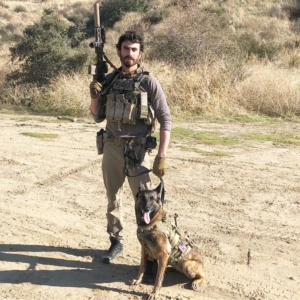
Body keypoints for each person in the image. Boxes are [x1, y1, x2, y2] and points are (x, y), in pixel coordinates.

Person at [89, 31, 172, 280]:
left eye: (134, 49)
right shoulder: (111, 79)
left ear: (140, 53)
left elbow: (166, 118)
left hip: (138, 151)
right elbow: (97, 116)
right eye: (126, 48)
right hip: (112, 148)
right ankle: (116, 241)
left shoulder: (149, 82)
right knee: (113, 198)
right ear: (119, 51)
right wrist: (94, 94)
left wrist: (162, 155)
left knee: (147, 203)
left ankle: (153, 253)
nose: (129, 53)